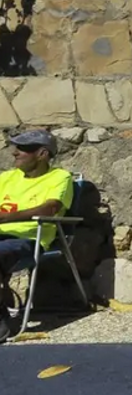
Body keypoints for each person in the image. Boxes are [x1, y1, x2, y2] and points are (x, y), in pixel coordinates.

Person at [0, 129, 75, 343]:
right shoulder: (6, 178)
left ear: (42, 154)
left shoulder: (59, 177)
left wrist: (7, 218)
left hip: (29, 239)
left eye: (22, 149)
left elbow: (50, 209)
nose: (14, 153)